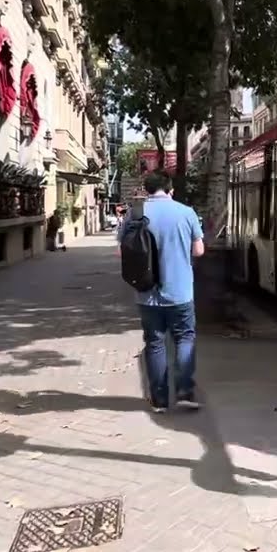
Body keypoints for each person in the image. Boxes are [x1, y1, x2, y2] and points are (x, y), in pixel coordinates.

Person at [118, 170, 206, 411]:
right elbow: (198, 251)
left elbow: (122, 251)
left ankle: (159, 401)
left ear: (146, 190)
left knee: (155, 343)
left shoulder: (135, 214)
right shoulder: (186, 212)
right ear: (171, 189)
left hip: (147, 292)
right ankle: (185, 392)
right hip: (180, 292)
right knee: (184, 339)